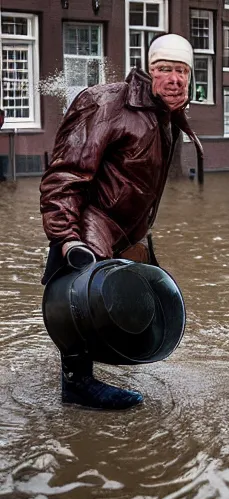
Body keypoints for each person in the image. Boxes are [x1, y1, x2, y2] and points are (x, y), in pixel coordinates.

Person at [39, 33, 204, 409]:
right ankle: (77, 386)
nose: (175, 79)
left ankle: (92, 372)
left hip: (128, 228)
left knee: (131, 309)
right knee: (75, 304)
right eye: (165, 70)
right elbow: (64, 174)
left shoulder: (165, 112)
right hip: (89, 223)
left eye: (182, 72)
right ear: (149, 71)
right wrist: (66, 237)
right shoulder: (105, 102)